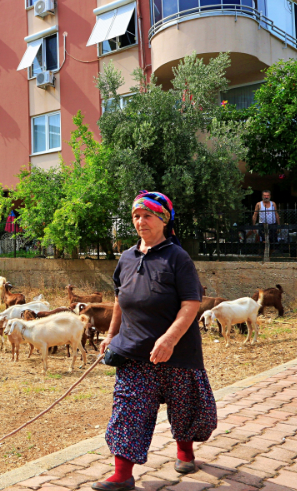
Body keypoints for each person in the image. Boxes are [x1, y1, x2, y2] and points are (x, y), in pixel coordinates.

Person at [92, 191, 216, 491]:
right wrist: (111, 336)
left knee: (184, 406)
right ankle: (122, 473)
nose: (140, 221)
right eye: (136, 216)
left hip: (177, 350)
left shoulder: (177, 257)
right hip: (134, 351)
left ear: (163, 219)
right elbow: (120, 299)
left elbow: (190, 304)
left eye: (147, 215)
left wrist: (170, 339)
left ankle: (185, 450)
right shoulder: (126, 257)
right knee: (128, 408)